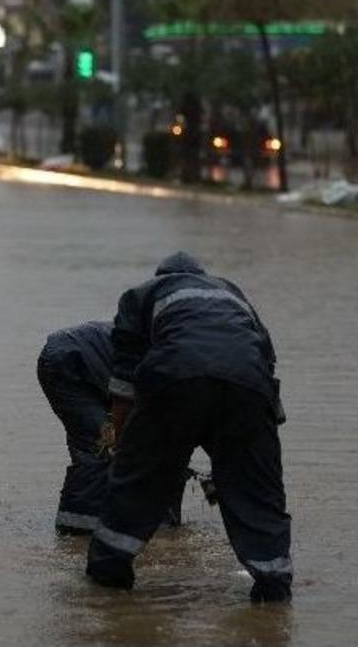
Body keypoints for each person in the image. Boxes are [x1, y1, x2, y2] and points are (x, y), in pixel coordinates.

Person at [85, 252, 292, 603]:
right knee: (258, 492)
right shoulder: (232, 293)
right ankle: (274, 591)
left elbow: (124, 384)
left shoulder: (141, 295)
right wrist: (252, 455)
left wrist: (123, 443)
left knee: (136, 484)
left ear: (160, 276)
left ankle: (108, 584)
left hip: (173, 379)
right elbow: (264, 363)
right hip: (249, 388)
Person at [37, 321, 185, 534]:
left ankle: (149, 523)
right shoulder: (170, 370)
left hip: (79, 356)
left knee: (119, 444)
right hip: (70, 361)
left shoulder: (181, 363)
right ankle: (75, 531)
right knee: (99, 444)